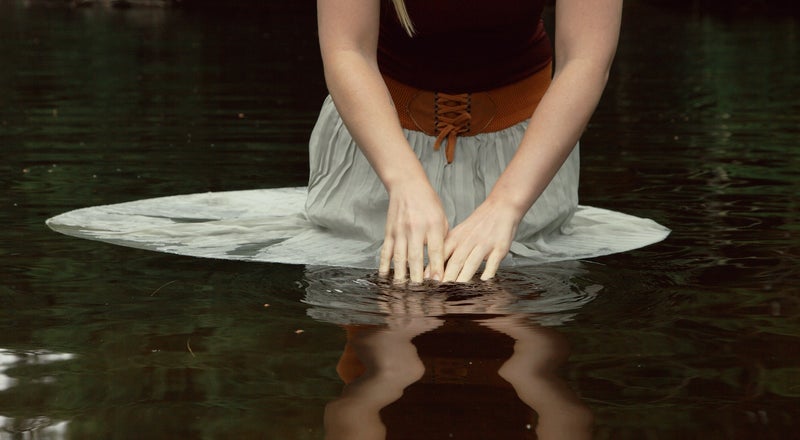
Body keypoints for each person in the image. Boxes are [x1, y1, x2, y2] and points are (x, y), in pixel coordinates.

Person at [307, 0, 663, 284]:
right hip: (380, 146)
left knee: (516, 325)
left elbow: (585, 60)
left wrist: (507, 204)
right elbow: (346, 49)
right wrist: (404, 183)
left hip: (526, 155)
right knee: (386, 325)